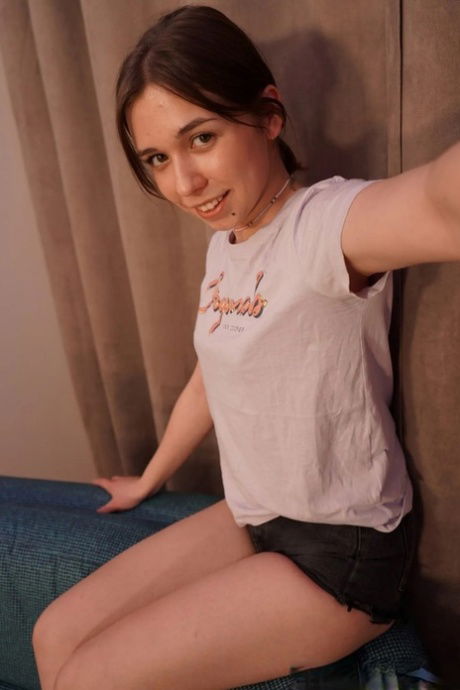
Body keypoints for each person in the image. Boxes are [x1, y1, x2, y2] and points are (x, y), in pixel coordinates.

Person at [32, 5, 460, 690]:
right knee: (51, 637)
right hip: (254, 515)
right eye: (158, 159)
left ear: (268, 114)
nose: (184, 184)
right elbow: (213, 375)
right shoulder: (225, 247)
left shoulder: (322, 226)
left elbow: (439, 202)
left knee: (86, 679)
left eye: (201, 138)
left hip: (340, 553)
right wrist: (149, 477)